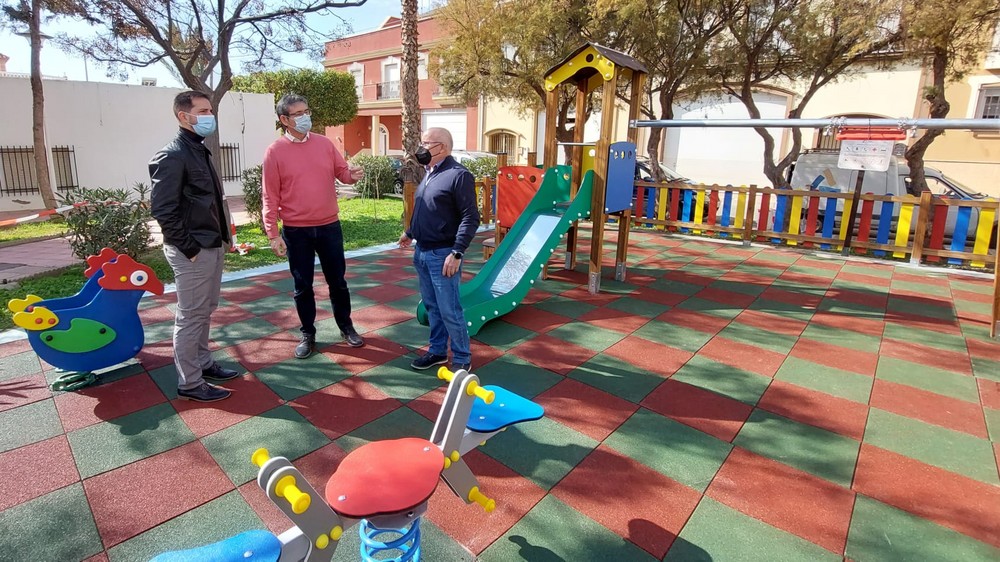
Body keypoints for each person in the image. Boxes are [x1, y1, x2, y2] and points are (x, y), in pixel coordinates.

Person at [149, 90, 241, 402]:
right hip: (193, 249)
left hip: (209, 244)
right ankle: (190, 382)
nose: (209, 116)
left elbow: (209, 200)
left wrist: (222, 238)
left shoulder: (197, 150)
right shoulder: (173, 155)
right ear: (183, 116)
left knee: (205, 309)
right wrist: (190, 248)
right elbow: (163, 211)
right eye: (202, 111)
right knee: (190, 316)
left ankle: (203, 363)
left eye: (210, 110)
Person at [262, 93, 366, 359]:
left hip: (329, 226)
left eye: (307, 111)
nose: (306, 117)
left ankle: (346, 326)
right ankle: (308, 333)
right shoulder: (275, 152)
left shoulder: (324, 143)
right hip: (296, 232)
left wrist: (351, 176)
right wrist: (273, 234)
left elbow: (341, 172)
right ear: (284, 120)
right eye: (298, 114)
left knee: (338, 282)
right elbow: (269, 195)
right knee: (303, 286)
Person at [398, 128, 481, 372]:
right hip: (422, 252)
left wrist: (457, 252)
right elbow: (426, 209)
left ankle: (462, 358)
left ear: (442, 147)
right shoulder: (430, 172)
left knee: (449, 309)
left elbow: (470, 217)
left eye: (427, 143)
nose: (421, 148)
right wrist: (410, 232)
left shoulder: (459, 175)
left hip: (443, 255)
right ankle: (437, 352)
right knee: (432, 306)